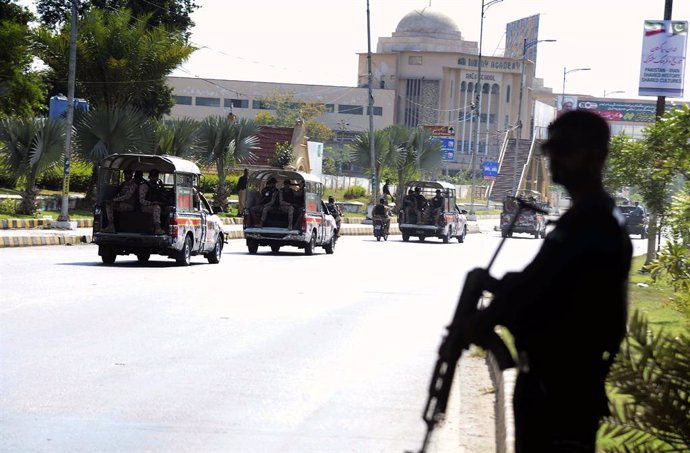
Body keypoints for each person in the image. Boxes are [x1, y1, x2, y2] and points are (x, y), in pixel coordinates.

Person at [458, 110, 633, 453]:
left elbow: (542, 294)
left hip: (562, 389)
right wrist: (497, 287)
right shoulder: (584, 219)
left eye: (566, 148)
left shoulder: (593, 224)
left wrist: (489, 316)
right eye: (551, 148)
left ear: (596, 155)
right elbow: (543, 282)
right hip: (553, 384)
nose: (554, 158)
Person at [139, 169, 169, 235]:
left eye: (155, 176)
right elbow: (141, 200)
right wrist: (151, 203)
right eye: (152, 176)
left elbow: (162, 197)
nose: (154, 178)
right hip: (145, 206)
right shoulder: (144, 186)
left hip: (157, 204)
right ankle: (157, 228)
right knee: (157, 208)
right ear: (149, 177)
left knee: (169, 209)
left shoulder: (158, 186)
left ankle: (166, 229)